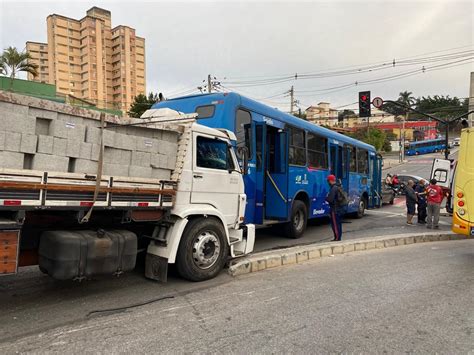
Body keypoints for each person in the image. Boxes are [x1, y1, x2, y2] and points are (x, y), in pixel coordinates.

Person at [325, 174, 345, 241]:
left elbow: (330, 199)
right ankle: (338, 237)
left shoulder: (333, 188)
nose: (328, 182)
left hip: (334, 209)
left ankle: (337, 238)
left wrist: (326, 197)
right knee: (338, 223)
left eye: (328, 181)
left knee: (335, 224)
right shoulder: (338, 187)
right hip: (339, 208)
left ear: (330, 181)